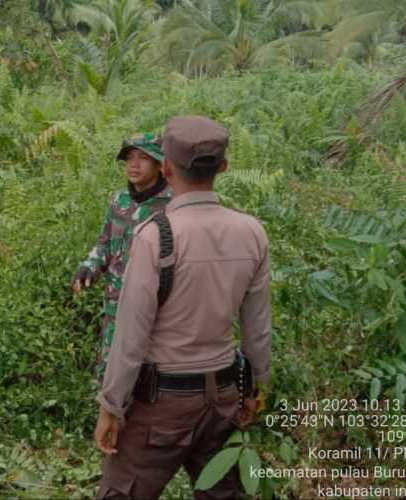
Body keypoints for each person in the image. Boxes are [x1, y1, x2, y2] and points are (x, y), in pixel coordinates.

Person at [94, 116, 271, 499]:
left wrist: (112, 406)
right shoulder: (252, 231)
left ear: (167, 168)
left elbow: (130, 336)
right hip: (223, 396)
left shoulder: (156, 235)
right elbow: (257, 329)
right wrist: (254, 390)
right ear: (222, 168)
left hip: (161, 404)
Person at [73, 133, 172, 380]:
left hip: (154, 309)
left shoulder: (173, 205)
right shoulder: (119, 200)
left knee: (149, 374)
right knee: (108, 374)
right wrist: (90, 265)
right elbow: (105, 243)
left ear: (160, 164)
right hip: (115, 306)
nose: (134, 164)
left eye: (143, 158)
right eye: (129, 158)